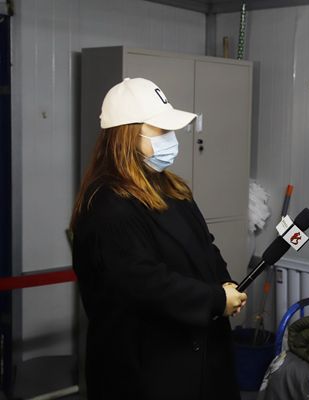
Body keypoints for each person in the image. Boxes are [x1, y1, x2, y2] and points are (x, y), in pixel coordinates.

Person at [70, 77, 247, 400]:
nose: (171, 139)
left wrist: (225, 283)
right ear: (127, 135)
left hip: (200, 353)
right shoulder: (106, 203)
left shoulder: (172, 187)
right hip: (146, 369)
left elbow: (205, 245)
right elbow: (143, 283)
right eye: (161, 130)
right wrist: (215, 300)